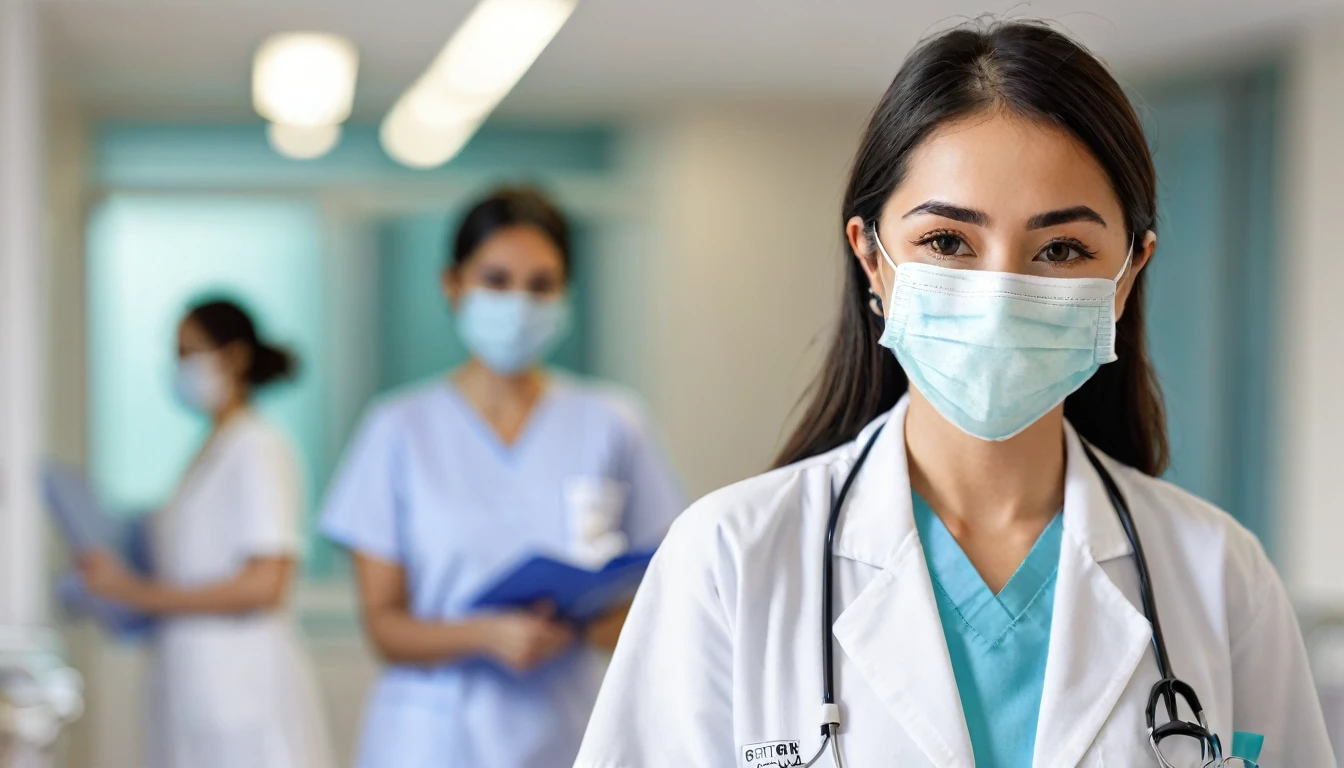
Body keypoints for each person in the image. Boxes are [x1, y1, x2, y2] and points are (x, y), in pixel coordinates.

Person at [574, 21, 1335, 768]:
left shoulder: (1218, 575)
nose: (1001, 292)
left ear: (1127, 275)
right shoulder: (730, 561)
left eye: (1061, 249)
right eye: (947, 243)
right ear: (871, 258)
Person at [320, 187, 685, 768]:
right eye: (496, 280)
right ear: (453, 284)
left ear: (564, 292)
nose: (519, 303)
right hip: (431, 739)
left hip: (569, 728)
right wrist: (485, 635)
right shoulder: (397, 429)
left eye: (540, 285)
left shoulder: (613, 423)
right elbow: (384, 626)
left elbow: (663, 587)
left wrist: (595, 625)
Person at [81, 299, 332, 768]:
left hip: (241, 689)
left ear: (233, 357)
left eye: (187, 351)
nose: (177, 367)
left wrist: (134, 592)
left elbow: (266, 583)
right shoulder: (212, 448)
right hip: (195, 686)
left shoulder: (258, 446)